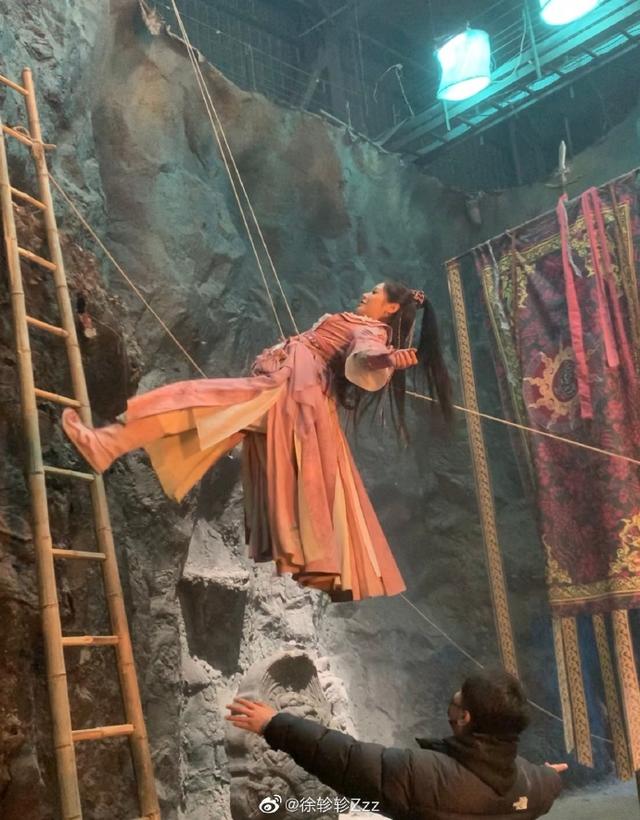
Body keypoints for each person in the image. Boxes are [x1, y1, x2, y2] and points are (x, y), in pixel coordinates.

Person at [62, 281, 452, 602]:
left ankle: (107, 444)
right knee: (196, 414)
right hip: (287, 391)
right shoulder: (359, 322)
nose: (366, 292)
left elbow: (366, 357)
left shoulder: (373, 331)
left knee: (192, 400)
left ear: (389, 308)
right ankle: (108, 444)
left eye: (376, 291)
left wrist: (387, 360)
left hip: (291, 397)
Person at [225, 669, 566, 820]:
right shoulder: (531, 785)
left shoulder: (424, 775)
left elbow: (346, 759)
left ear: (464, 718)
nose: (452, 701)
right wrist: (549, 775)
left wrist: (274, 723)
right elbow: (544, 784)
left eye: (458, 698)